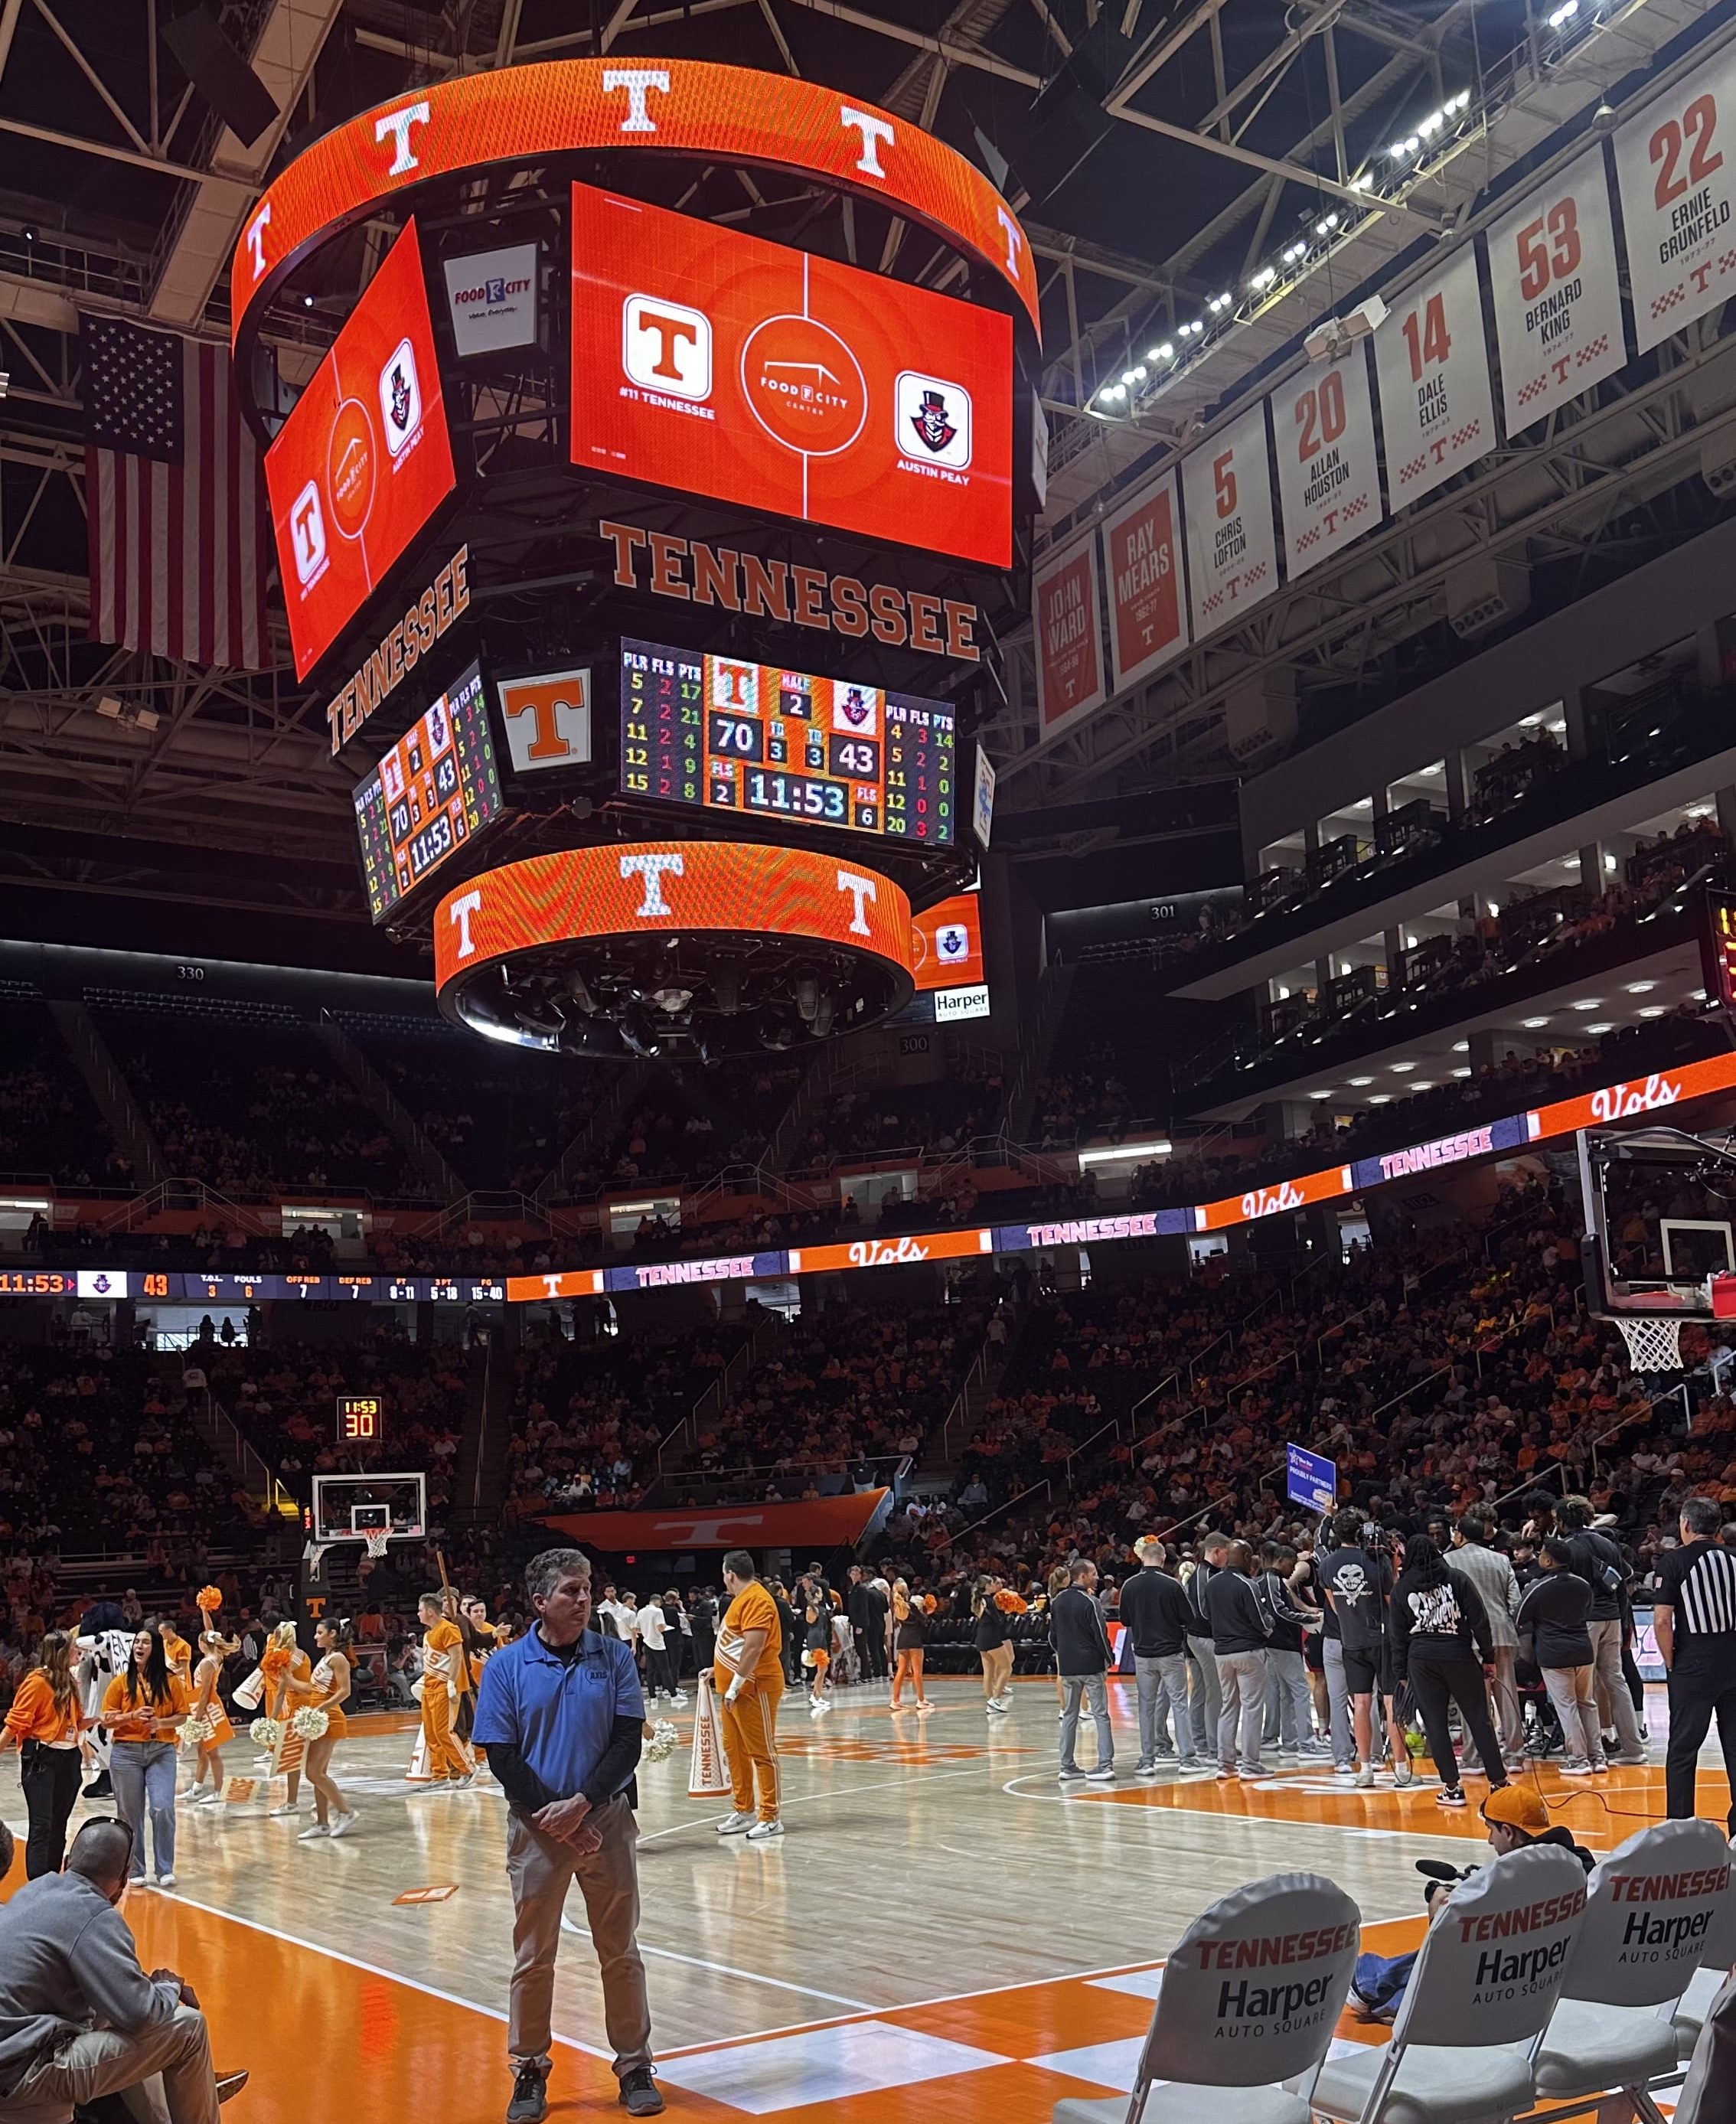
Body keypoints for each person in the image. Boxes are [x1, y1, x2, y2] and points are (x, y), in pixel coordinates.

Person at [472, 1548, 661, 2124]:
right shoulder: (505, 1666)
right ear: (540, 1602)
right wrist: (550, 1812)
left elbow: (628, 1740)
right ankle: (529, 2067)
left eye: (586, 1590)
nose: (583, 1600)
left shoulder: (614, 1657)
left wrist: (583, 1804)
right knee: (533, 1956)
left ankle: (634, 2064)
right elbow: (500, 1754)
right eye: (571, 1591)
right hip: (536, 1826)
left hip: (603, 1819)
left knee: (621, 1950)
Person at [0, 1819, 246, 2123]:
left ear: (66, 1862)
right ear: (125, 1877)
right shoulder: (96, 1914)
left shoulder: (34, 1890)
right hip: (24, 2074)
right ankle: (191, 2090)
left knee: (107, 2013)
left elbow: (115, 1992)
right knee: (188, 2027)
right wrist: (167, 1987)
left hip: (13, 2055)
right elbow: (141, 2013)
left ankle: (174, 2105)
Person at [1388, 1533, 1507, 1809]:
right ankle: (1499, 1783)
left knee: (1436, 1725)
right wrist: (1488, 1657)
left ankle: (1452, 1788)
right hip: (1458, 1653)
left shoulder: (1402, 1588)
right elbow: (1480, 1619)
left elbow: (1397, 1637)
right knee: (1480, 1719)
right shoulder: (1457, 1578)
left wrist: (1401, 1672)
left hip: (1421, 1659)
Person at [1652, 1496, 1736, 1834]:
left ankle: (1680, 1829)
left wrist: (1672, 1664)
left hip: (1694, 1661)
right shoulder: (1733, 1559)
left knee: (1684, 1749)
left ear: (1685, 1525)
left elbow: (1661, 1621)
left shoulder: (1674, 1562)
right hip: (1733, 1657)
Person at [1317, 1512, 1411, 1790]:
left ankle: (1365, 1769)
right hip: (1381, 1639)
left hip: (1351, 1640)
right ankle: (1403, 1769)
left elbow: (1335, 1606)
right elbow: (1392, 1601)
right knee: (1392, 1703)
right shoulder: (1377, 1559)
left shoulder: (1326, 1564)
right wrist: (1393, 1570)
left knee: (1361, 1703)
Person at [1556, 1494, 1646, 1765]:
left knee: (1585, 1689)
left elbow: (1566, 1589)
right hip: (1613, 1618)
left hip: (1586, 1620)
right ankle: (1633, 1749)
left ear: (1561, 1521)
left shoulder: (1568, 1547)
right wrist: (1621, 1619)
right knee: (1616, 1681)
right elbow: (1624, 1581)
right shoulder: (1607, 1542)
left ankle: (1595, 1754)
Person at [103, 1622, 191, 1887]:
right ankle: (135, 1868)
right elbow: (106, 1720)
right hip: (125, 1752)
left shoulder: (171, 1681)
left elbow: (183, 1715)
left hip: (161, 1750)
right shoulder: (120, 1682)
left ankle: (165, 1868)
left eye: (145, 1643)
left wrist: (160, 1724)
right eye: (137, 1642)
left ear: (156, 1647)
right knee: (129, 1814)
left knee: (162, 1807)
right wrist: (131, 1716)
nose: (139, 1647)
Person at [713, 1550, 785, 1841]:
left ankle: (770, 1816)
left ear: (730, 1574)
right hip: (736, 1688)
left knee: (762, 1752)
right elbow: (737, 1646)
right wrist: (715, 1670)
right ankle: (744, 1809)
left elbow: (754, 1647)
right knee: (735, 1751)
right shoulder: (739, 1600)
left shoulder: (757, 1599)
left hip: (757, 1685)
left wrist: (734, 1684)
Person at [1, 1630, 85, 1878]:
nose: (77, 1651)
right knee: (42, 1826)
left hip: (69, 1758)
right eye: (73, 1647)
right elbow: (13, 1724)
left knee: (60, 1825)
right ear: (62, 1652)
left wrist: (104, 1720)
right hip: (42, 1759)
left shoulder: (70, 1681)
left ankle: (51, 1879)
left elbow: (74, 1724)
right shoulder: (37, 1682)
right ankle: (37, 1884)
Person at [1516, 1535, 1604, 1775]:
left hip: (1554, 1654)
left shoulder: (1538, 1586)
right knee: (1588, 1703)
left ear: (1548, 1560)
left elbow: (1519, 1618)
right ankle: (1598, 1757)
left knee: (1567, 1706)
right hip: (1583, 1650)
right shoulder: (1582, 1584)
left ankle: (1578, 1760)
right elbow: (1588, 1611)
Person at [1448, 1509, 1526, 1773]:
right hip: (1502, 1633)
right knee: (1507, 1697)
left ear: (1459, 1535)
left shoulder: (1448, 1560)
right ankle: (1515, 1756)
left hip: (1466, 1638)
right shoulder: (1501, 1560)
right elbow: (1515, 1602)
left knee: (1472, 1699)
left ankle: (1474, 1757)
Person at [1119, 1537, 1201, 1774]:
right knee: (1179, 1705)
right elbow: (1189, 1618)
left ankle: (1147, 1760)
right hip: (1170, 1653)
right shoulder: (1172, 1585)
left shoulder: (1130, 1585)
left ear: (1142, 1557)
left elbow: (1125, 1620)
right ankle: (1187, 1759)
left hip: (1143, 1654)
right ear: (1163, 1559)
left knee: (1146, 1707)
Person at [1205, 1541, 1271, 1780]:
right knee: (1252, 1708)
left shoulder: (1212, 1583)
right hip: (1248, 1651)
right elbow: (1261, 1621)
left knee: (1228, 1706)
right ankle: (1251, 1766)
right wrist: (1269, 1627)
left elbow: (1205, 1614)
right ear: (1244, 1556)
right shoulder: (1248, 1585)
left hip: (1222, 1652)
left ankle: (1225, 1765)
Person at [287, 1617, 357, 1841]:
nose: (316, 1636)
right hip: (318, 1717)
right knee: (319, 1774)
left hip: (330, 1717)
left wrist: (321, 1709)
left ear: (333, 1634)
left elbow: (345, 1691)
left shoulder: (339, 1659)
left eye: (320, 1633)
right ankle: (323, 1823)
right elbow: (310, 1688)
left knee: (313, 1772)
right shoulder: (326, 1658)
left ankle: (346, 1812)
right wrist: (286, 1678)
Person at [1255, 1542, 1323, 1756]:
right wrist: (1309, 1618)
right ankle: (1306, 1744)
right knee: (1301, 1692)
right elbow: (1279, 1612)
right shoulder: (1271, 1580)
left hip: (1279, 1644)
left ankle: (1290, 1741)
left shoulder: (1268, 1580)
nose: (1292, 1570)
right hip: (1282, 1643)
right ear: (1281, 1560)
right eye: (1291, 1565)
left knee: (1286, 1694)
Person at [1051, 1561, 1114, 1783]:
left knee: (1069, 1715)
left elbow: (1053, 1637)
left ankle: (1066, 1766)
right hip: (1090, 1665)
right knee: (1100, 1714)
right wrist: (1109, 1657)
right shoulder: (1091, 1601)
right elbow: (1099, 1633)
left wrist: (1065, 1655)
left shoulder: (1057, 1601)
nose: (1097, 1577)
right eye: (1094, 1573)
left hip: (1068, 1667)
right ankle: (1105, 1765)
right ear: (1082, 1576)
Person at [417, 1593, 473, 1787]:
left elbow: (457, 1657)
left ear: (431, 1612)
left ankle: (467, 1769)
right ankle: (439, 1774)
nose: (418, 1614)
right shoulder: (428, 1633)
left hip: (444, 1688)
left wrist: (451, 1683)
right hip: (429, 1688)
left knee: (444, 1732)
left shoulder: (448, 1629)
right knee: (431, 1734)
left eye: (420, 1610)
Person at [1182, 1532, 1229, 1761]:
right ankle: (1213, 1747)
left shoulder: (1207, 1573)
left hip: (1196, 1638)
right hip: (1204, 1638)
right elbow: (1202, 1610)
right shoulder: (1203, 1574)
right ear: (1217, 1551)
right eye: (1227, 1553)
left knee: (1201, 1690)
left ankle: (1201, 1741)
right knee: (1215, 1692)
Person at [183, 1632, 237, 1807]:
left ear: (202, 1643)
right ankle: (197, 1787)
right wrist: (205, 1610)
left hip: (206, 1705)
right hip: (205, 1703)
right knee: (202, 1751)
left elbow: (205, 1691)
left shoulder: (208, 1662)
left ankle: (219, 1791)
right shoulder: (216, 1656)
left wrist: (198, 1716)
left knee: (212, 1752)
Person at [971, 1574, 1017, 1717]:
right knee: (1006, 1668)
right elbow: (999, 1621)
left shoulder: (978, 1601)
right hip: (991, 1638)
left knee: (988, 1672)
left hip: (981, 1638)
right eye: (991, 1583)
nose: (993, 1586)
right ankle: (996, 1699)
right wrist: (1008, 1612)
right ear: (986, 1586)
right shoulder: (990, 1601)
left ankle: (991, 1701)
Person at [888, 1579, 931, 1711]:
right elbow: (924, 1621)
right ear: (906, 1591)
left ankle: (895, 1701)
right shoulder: (910, 1605)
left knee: (901, 1671)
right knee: (917, 1671)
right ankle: (921, 1700)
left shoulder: (896, 1607)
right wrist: (927, 1610)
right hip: (914, 1640)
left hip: (902, 1639)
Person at [634, 1592, 683, 1708]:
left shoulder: (641, 1611)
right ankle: (673, 1694)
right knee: (665, 1670)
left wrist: (647, 1631)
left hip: (647, 1643)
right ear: (657, 1601)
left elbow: (636, 1629)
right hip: (658, 1644)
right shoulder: (658, 1611)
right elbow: (661, 1627)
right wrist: (665, 1628)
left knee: (650, 1670)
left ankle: (652, 1696)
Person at [847, 1565, 887, 1684]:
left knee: (867, 1649)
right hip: (878, 1622)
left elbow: (863, 1608)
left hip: (866, 1624)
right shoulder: (854, 1589)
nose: (854, 1576)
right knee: (877, 1648)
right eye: (852, 1574)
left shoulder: (862, 1590)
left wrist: (860, 1625)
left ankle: (868, 1675)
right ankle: (878, 1673)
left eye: (856, 1574)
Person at [801, 1591, 832, 1715]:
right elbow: (810, 1623)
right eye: (819, 1592)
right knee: (821, 1669)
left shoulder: (822, 1609)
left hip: (822, 1638)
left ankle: (819, 1695)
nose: (821, 1593)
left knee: (823, 1669)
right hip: (816, 1639)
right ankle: (815, 1696)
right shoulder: (812, 1609)